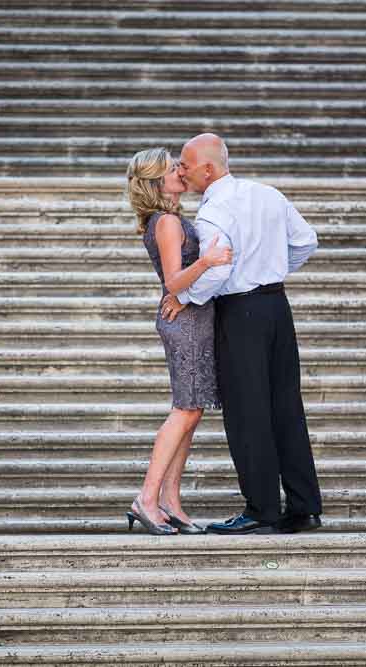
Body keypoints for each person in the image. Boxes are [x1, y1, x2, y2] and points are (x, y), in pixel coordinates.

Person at [167, 133, 323, 535]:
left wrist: (187, 296)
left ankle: (262, 508)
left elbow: (216, 270)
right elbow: (306, 242)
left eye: (185, 164)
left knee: (246, 412)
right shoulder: (268, 194)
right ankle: (303, 506)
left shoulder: (213, 212)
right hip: (277, 306)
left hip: (241, 312)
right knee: (286, 406)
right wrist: (270, 267)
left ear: (207, 169)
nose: (181, 171)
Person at [125, 147, 234, 535]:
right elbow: (173, 281)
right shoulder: (167, 222)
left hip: (195, 318)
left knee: (193, 409)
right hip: (184, 321)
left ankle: (170, 501)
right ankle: (147, 499)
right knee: (186, 409)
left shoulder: (170, 218)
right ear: (158, 182)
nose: (181, 171)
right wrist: (207, 262)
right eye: (173, 168)